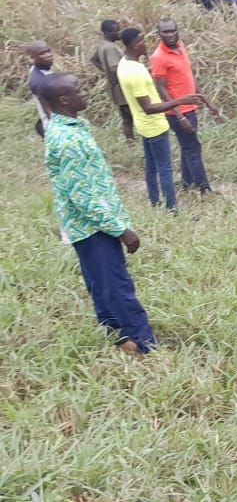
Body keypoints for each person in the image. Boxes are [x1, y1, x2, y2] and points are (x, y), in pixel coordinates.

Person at [42, 73, 155, 355]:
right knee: (116, 284)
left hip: (87, 225)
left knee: (101, 282)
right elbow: (82, 197)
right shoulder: (68, 140)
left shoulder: (72, 127)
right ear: (64, 99)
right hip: (93, 226)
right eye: (79, 90)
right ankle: (143, 344)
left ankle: (116, 333)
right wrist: (121, 230)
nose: (85, 93)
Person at [117, 27, 204, 210]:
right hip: (154, 125)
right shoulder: (136, 72)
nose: (145, 44)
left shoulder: (124, 64)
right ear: (135, 45)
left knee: (151, 166)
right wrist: (180, 101)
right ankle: (172, 208)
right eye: (142, 41)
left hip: (143, 125)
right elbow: (148, 108)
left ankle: (155, 202)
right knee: (165, 168)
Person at [151, 18, 215, 196]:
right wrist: (179, 115)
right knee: (192, 148)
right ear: (158, 34)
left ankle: (187, 184)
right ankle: (204, 189)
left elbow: (188, 76)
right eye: (166, 32)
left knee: (188, 146)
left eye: (173, 30)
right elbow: (161, 88)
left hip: (190, 107)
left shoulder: (180, 47)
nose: (170, 35)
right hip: (177, 112)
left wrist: (205, 100)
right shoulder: (158, 57)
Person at [90, 21, 133, 139]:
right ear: (106, 32)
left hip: (116, 88)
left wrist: (105, 72)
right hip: (121, 88)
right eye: (116, 31)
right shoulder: (110, 48)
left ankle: (131, 142)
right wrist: (116, 81)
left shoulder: (103, 45)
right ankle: (131, 142)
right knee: (128, 117)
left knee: (126, 117)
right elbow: (114, 68)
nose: (119, 33)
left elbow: (94, 60)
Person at [26, 39, 55, 136]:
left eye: (48, 51)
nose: (48, 55)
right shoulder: (39, 80)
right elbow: (48, 110)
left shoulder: (40, 68)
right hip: (54, 126)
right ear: (32, 57)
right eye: (42, 53)